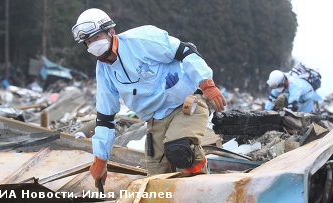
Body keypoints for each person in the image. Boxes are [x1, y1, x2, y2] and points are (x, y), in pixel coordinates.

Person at [71, 8, 227, 187]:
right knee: (156, 178)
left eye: (96, 38)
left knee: (179, 148)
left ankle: (203, 184)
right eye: (88, 42)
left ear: (111, 32)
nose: (93, 45)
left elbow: (185, 51)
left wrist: (206, 83)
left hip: (185, 104)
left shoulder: (142, 39)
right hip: (155, 119)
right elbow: (105, 118)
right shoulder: (104, 71)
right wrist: (100, 159)